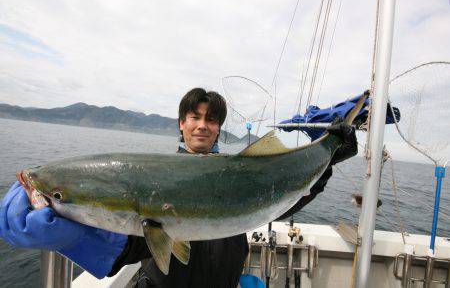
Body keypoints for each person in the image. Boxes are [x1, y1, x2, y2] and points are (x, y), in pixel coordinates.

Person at [0, 88, 357, 288]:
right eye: (195, 117)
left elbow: (281, 201)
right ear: (182, 123)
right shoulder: (153, 178)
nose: (202, 125)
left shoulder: (245, 173)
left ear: (218, 128)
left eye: (211, 119)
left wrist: (329, 159)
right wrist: (73, 232)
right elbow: (127, 247)